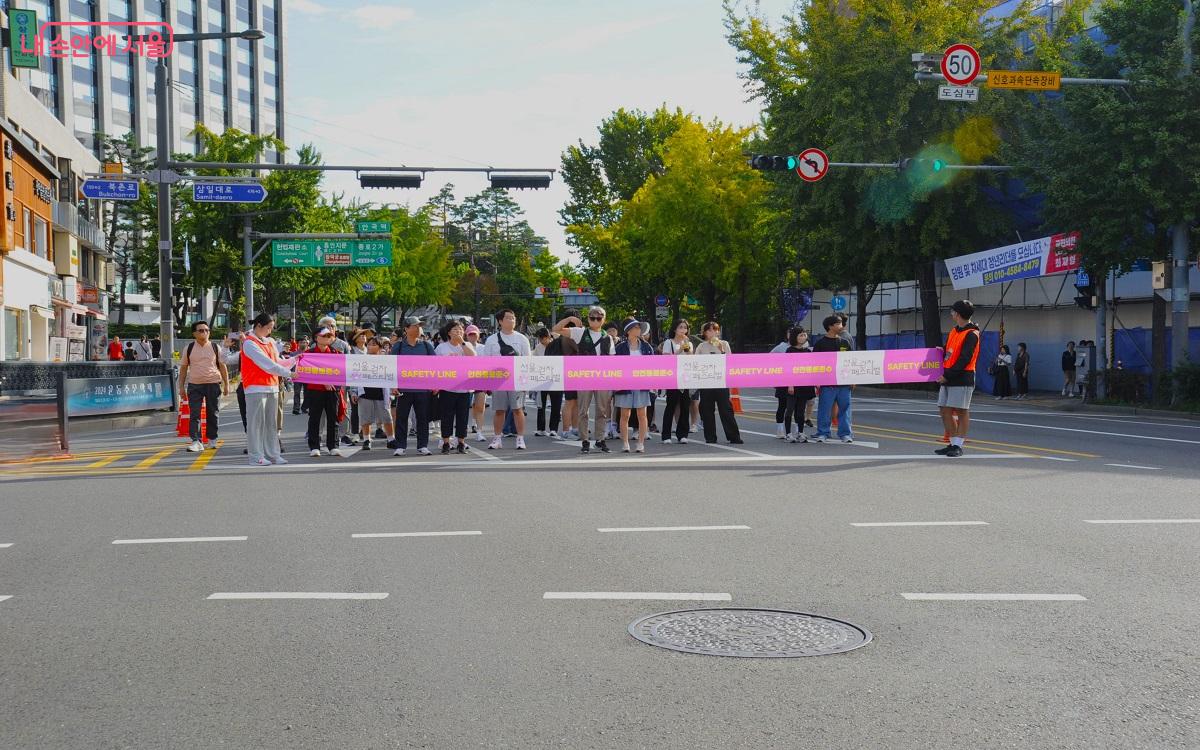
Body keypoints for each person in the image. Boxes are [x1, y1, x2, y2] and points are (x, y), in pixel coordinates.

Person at [552, 306, 615, 454]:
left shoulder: (608, 337)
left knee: (602, 410)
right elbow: (555, 329)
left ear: (603, 320)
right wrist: (570, 319)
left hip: (602, 377)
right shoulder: (580, 332)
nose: (595, 320)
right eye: (592, 317)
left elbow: (612, 360)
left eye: (598, 318)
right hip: (584, 376)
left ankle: (600, 439)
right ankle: (585, 440)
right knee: (583, 410)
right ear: (588, 319)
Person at [240, 313, 297, 466]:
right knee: (255, 424)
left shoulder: (270, 342)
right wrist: (289, 373)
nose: (270, 331)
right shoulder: (249, 343)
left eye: (272, 328)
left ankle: (273, 455)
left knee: (271, 424)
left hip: (272, 387)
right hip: (255, 388)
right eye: (268, 328)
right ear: (258, 326)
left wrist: (294, 360)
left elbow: (277, 361)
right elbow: (266, 364)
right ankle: (255, 456)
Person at [479, 309, 532, 450]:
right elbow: (486, 362)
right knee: (499, 410)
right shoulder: (491, 340)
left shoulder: (522, 339)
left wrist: (526, 381)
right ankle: (497, 438)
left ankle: (520, 438)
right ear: (500, 321)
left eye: (513, 318)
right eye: (508, 318)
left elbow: (528, 361)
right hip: (498, 380)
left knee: (518, 409)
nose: (512, 320)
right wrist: (487, 382)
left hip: (516, 380)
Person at [936, 300, 981, 458]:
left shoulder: (972, 334)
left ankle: (958, 445)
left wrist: (946, 376)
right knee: (944, 409)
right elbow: (949, 353)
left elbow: (964, 359)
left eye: (953, 311)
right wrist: (939, 353)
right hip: (949, 376)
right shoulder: (954, 331)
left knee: (961, 411)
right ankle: (953, 443)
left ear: (959, 314)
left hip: (962, 377)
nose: (951, 313)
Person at [177, 320, 229, 452]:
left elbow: (222, 366)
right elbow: (183, 369)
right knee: (195, 414)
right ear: (194, 333)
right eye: (201, 330)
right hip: (195, 385)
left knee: (213, 413)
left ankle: (212, 439)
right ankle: (196, 441)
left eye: (207, 330)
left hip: (213, 383)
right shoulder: (188, 348)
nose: (205, 333)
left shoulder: (215, 347)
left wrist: (226, 384)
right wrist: (181, 387)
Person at [391, 316, 437, 456]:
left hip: (423, 389)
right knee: (402, 418)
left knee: (423, 418)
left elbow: (435, 366)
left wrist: (435, 384)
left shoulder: (426, 346)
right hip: (403, 389)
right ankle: (400, 446)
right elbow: (392, 367)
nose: (418, 328)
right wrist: (393, 385)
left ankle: (422, 445)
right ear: (406, 329)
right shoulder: (398, 346)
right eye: (415, 326)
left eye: (419, 326)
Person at [695, 321, 742, 444]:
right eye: (710, 330)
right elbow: (695, 363)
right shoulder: (701, 346)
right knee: (707, 410)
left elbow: (730, 362)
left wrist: (721, 350)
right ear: (705, 333)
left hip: (721, 381)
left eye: (715, 330)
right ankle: (710, 437)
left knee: (726, 409)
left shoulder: (724, 344)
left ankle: (734, 436)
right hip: (706, 382)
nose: (713, 333)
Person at [434, 320, 476, 454]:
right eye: (455, 330)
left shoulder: (467, 345)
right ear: (448, 333)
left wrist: (462, 343)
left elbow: (473, 357)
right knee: (447, 416)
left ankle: (461, 442)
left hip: (464, 388)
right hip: (447, 388)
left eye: (460, 330)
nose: (458, 332)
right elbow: (435, 367)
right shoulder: (442, 348)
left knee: (462, 416)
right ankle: (446, 442)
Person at [614, 318, 655, 453]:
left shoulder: (646, 347)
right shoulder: (620, 347)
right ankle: (625, 443)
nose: (639, 330)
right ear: (629, 331)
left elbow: (652, 365)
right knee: (624, 414)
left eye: (639, 327)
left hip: (641, 383)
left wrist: (652, 382)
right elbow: (614, 366)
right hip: (624, 383)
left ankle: (640, 443)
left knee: (642, 414)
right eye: (636, 327)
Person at [812, 315, 854, 443]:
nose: (841, 326)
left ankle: (845, 434)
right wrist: (816, 382)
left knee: (845, 408)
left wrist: (853, 379)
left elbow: (851, 361)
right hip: (827, 384)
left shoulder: (844, 342)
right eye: (838, 323)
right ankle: (823, 433)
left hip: (844, 383)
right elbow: (815, 364)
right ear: (830, 326)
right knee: (824, 409)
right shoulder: (820, 344)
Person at [305, 328, 346, 458]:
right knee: (315, 418)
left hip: (333, 390)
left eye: (330, 336)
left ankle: (333, 446)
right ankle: (314, 446)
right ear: (316, 337)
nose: (327, 338)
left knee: (333, 418)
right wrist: (323, 381)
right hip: (315, 390)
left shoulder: (337, 353)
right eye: (324, 335)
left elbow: (341, 372)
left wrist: (333, 383)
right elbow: (307, 372)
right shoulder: (309, 353)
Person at [356, 335, 396, 451]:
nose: (370, 346)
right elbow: (355, 376)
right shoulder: (360, 359)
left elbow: (391, 376)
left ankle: (391, 439)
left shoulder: (386, 360)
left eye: (373, 344)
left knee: (387, 417)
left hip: (381, 393)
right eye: (369, 344)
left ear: (379, 347)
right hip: (365, 392)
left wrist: (393, 389)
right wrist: (354, 392)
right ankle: (366, 439)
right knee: (365, 418)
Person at [659, 319, 693, 444]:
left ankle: (682, 434)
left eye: (685, 328)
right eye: (680, 327)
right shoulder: (669, 342)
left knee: (685, 406)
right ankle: (666, 435)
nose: (683, 330)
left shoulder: (688, 342)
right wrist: (678, 351)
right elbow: (666, 359)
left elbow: (691, 359)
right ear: (675, 329)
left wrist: (688, 349)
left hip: (685, 377)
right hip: (673, 377)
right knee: (671, 405)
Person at [782, 328, 815, 442]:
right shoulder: (789, 351)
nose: (803, 337)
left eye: (804, 335)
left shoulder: (808, 351)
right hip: (792, 385)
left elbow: (811, 369)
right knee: (790, 409)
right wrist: (790, 384)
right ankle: (788, 433)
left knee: (801, 411)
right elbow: (787, 368)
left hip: (805, 384)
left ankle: (800, 432)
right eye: (800, 335)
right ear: (794, 337)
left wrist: (815, 383)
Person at [533, 327, 564, 438]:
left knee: (556, 404)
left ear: (548, 337)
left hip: (556, 379)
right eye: (540, 338)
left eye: (544, 338)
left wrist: (554, 335)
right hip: (542, 379)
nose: (542, 341)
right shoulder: (538, 348)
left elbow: (561, 338)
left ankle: (553, 428)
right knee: (541, 405)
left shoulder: (557, 344)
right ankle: (540, 428)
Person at [464, 324, 488, 441]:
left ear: (478, 335)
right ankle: (462, 431)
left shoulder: (484, 348)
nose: (473, 336)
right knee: (464, 407)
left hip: (480, 379)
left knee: (480, 406)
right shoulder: (462, 347)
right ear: (467, 335)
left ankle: (479, 432)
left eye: (475, 334)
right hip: (465, 380)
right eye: (470, 334)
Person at [292, 334, 311, 414]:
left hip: (307, 376)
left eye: (304, 342)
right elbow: (290, 364)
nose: (303, 344)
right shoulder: (293, 354)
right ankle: (296, 408)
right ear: (298, 344)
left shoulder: (311, 353)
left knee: (307, 393)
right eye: (301, 342)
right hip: (297, 376)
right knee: (297, 392)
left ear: (307, 343)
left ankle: (305, 407)